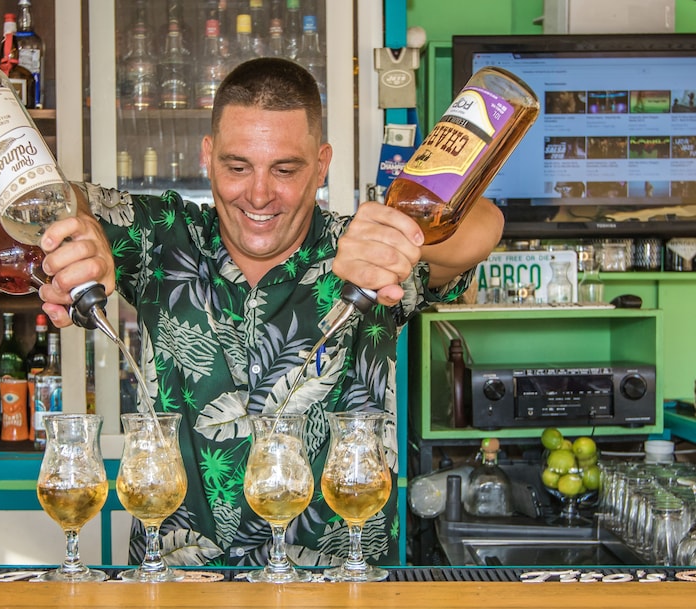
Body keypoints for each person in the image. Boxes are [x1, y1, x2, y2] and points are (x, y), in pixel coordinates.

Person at [37, 57, 503, 568]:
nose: (259, 194)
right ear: (208, 157)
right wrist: (73, 231)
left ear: (321, 165)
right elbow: (50, 196)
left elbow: (484, 225)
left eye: (285, 169)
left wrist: (406, 234)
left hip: (339, 585)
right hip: (177, 584)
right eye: (237, 167)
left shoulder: (366, 253)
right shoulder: (160, 236)